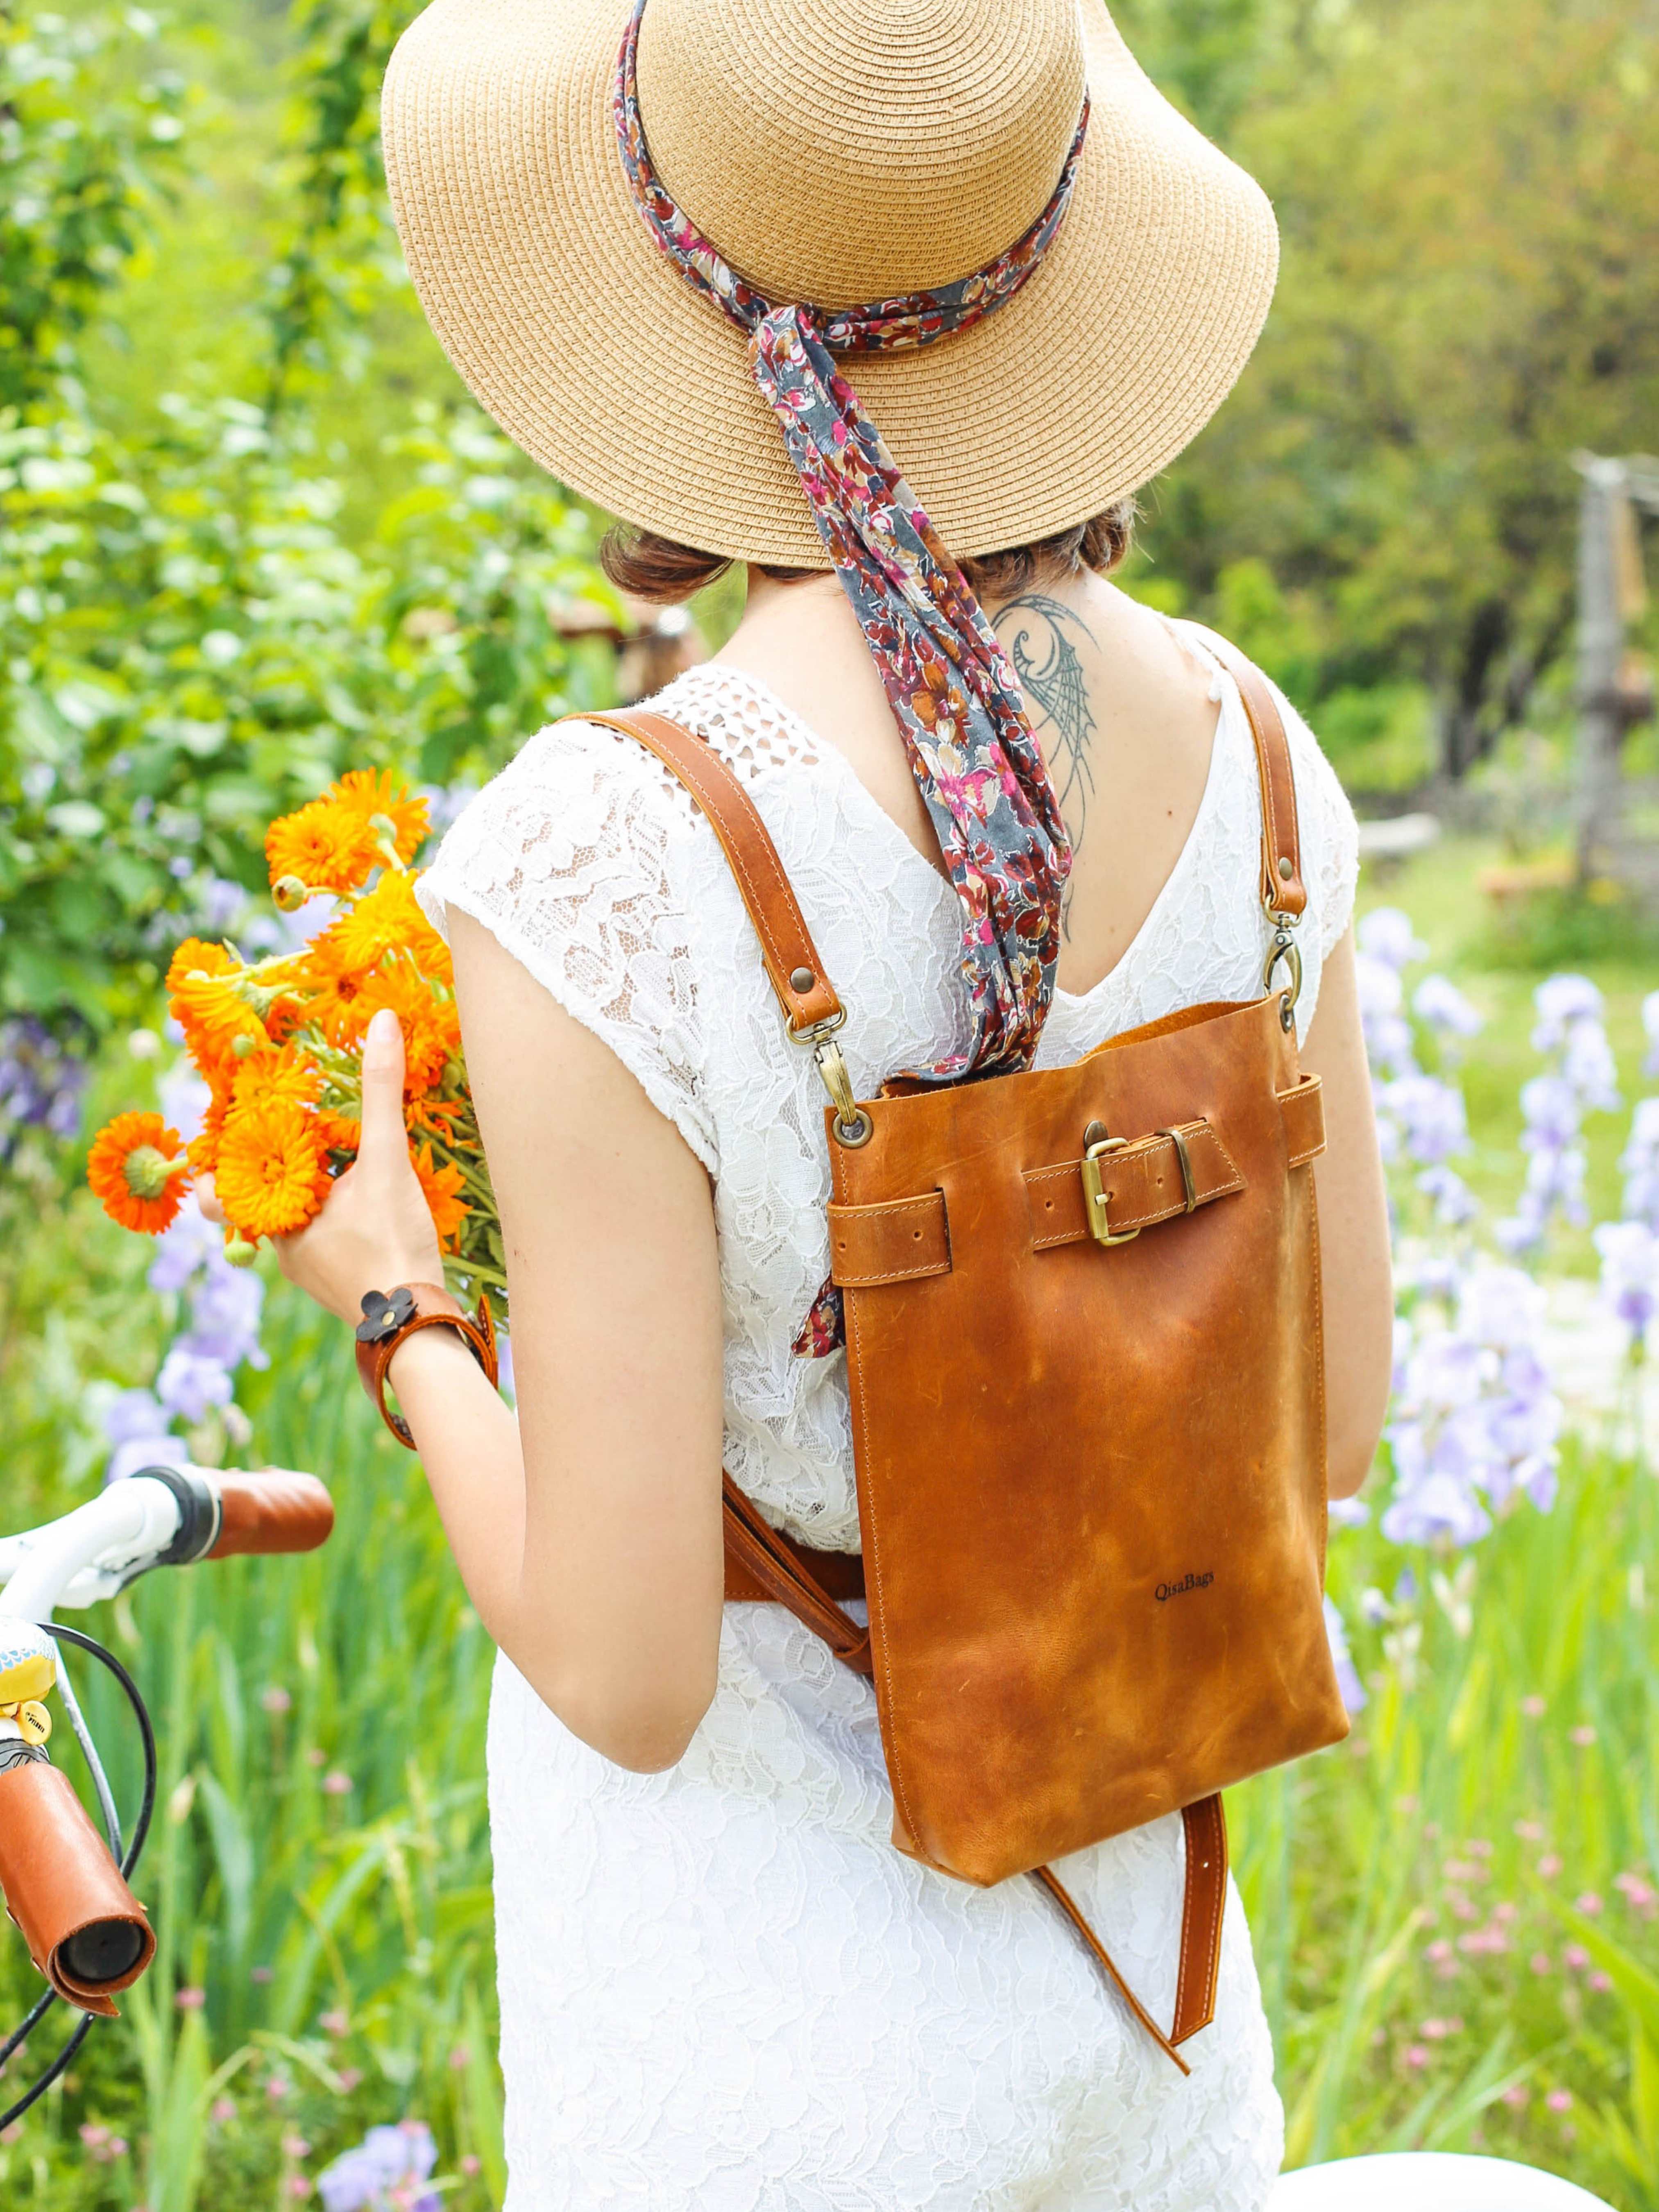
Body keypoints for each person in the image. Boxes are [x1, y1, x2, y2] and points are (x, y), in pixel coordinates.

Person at [216, 0, 1394, 2203]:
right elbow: (1319, 1438)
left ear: (667, 293)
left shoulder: (608, 849)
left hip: (764, 2072)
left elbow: (632, 1668)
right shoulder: (1260, 757)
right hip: (1146, 2029)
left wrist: (401, 1315)